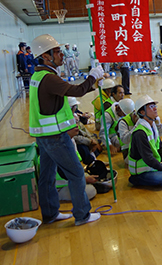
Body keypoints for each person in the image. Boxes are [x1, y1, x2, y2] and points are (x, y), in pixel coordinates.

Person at [29, 33, 104, 226]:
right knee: (76, 174)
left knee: (46, 176)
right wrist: (92, 77)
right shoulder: (48, 78)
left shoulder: (38, 75)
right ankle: (82, 215)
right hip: (55, 138)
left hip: (44, 137)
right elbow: (77, 91)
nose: (62, 55)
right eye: (57, 52)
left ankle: (50, 214)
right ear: (45, 56)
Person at [128, 95, 162, 187]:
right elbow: (148, 158)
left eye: (154, 106)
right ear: (142, 112)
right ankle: (137, 180)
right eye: (150, 107)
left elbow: (160, 148)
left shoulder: (152, 126)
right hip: (141, 172)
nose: (155, 108)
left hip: (152, 167)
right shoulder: (140, 133)